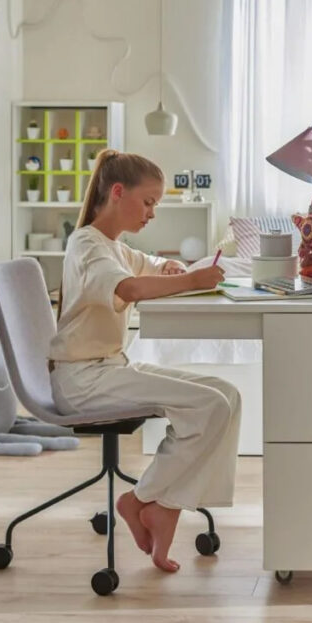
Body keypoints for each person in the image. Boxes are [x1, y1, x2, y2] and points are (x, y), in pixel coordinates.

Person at [49, 149, 240, 573]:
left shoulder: (114, 247)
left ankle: (161, 505)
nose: (152, 213)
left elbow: (146, 266)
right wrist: (191, 279)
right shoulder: (86, 245)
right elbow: (130, 289)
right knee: (211, 406)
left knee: (227, 395)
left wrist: (168, 266)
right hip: (83, 380)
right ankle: (148, 502)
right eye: (149, 202)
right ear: (118, 192)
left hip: (108, 369)